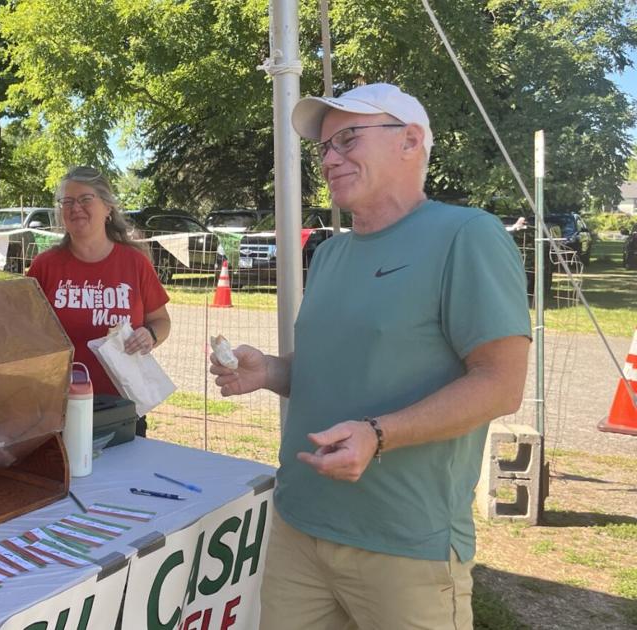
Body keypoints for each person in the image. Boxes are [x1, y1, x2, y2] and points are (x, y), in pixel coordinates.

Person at [211, 84, 530, 629]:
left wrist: (378, 434)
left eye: (348, 139)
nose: (331, 158)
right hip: (300, 525)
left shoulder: (467, 234)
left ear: (410, 141)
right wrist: (270, 370)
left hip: (405, 543)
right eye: (325, 148)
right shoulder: (331, 252)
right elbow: (333, 369)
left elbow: (501, 384)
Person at [26, 166, 171, 435]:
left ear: (107, 208)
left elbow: (161, 321)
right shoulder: (44, 266)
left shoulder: (135, 263)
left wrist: (149, 334)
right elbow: (25, 333)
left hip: (122, 404)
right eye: (67, 201)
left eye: (85, 199)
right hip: (59, 405)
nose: (75, 207)